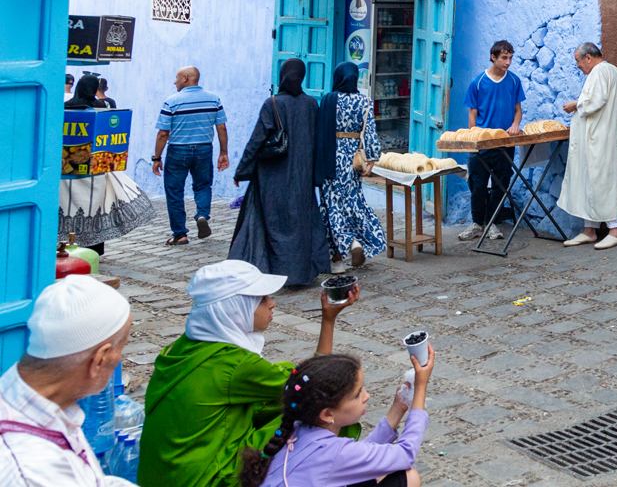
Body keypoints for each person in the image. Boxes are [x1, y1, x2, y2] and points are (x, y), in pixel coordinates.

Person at [139, 260, 360, 487]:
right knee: (330, 407)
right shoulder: (235, 364)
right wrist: (329, 320)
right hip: (204, 478)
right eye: (263, 300)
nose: (272, 304)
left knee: (283, 397)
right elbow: (313, 385)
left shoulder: (182, 347)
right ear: (236, 310)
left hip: (166, 474)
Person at [0, 274, 134, 486]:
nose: (119, 359)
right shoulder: (31, 472)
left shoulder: (40, 404)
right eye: (121, 347)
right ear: (99, 359)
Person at [239, 350, 433, 487]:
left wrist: (397, 409)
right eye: (357, 394)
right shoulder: (333, 453)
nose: (367, 396)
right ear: (327, 414)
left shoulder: (299, 429)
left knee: (376, 472)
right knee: (409, 477)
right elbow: (406, 454)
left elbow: (360, 457)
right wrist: (420, 389)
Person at [228, 59, 329, 286]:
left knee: (274, 223)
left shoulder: (272, 103)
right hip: (301, 176)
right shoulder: (312, 104)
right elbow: (317, 142)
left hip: (272, 176)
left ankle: (272, 271)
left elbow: (257, 140)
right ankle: (300, 273)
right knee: (300, 223)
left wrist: (241, 171)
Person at [60, 74, 155, 255]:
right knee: (93, 207)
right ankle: (93, 249)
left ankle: (65, 245)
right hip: (96, 170)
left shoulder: (66, 107)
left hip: (68, 168)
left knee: (69, 207)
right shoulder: (102, 107)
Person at [316, 62, 386, 270]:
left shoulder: (329, 99)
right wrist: (371, 161)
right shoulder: (364, 101)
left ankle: (345, 248)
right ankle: (354, 244)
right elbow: (371, 134)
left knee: (331, 206)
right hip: (352, 160)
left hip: (330, 156)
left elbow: (318, 129)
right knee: (353, 202)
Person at [559, 43, 617, 249]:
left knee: (602, 182)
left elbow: (595, 101)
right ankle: (590, 230)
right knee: (591, 181)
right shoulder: (613, 71)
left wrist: (575, 104)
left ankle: (614, 231)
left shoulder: (600, 71)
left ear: (588, 57)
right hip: (600, 136)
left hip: (598, 137)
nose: (578, 66)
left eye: (578, 61)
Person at [153, 66, 229, 245]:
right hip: (204, 149)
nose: (174, 81)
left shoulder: (171, 101)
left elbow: (163, 133)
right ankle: (202, 215)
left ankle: (180, 234)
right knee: (203, 185)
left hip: (178, 151)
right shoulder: (214, 99)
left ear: (185, 78)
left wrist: (156, 158)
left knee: (174, 191)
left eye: (177, 78)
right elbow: (221, 128)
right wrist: (223, 152)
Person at [458, 41, 525, 241]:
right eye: (504, 57)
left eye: (511, 57)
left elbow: (518, 110)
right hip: (481, 143)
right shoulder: (478, 83)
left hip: (504, 142)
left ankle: (492, 222)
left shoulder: (514, 81)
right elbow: (473, 115)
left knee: (501, 183)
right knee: (477, 184)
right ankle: (477, 223)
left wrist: (515, 125)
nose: (508, 62)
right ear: (493, 57)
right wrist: (474, 139)